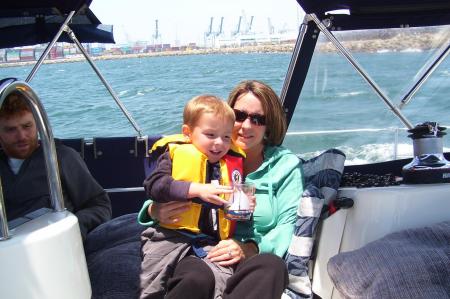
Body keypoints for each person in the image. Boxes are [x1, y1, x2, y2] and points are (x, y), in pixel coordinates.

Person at [139, 80, 304, 299]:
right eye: (240, 115)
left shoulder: (286, 166)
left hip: (250, 255)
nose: (246, 126)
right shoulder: (206, 151)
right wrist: (153, 211)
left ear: (269, 126)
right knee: (195, 277)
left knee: (272, 267)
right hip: (202, 249)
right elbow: (161, 187)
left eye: (258, 119)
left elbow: (287, 225)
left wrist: (250, 248)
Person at [139, 95, 252, 298]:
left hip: (211, 242)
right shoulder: (174, 154)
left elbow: (227, 212)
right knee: (152, 286)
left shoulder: (231, 164)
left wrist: (243, 206)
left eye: (227, 137)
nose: (219, 143)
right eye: (210, 134)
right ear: (188, 133)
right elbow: (155, 186)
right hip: (169, 237)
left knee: (219, 282)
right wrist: (195, 189)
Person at [0, 91, 112, 241]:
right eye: (10, 129)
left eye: (27, 126)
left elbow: (100, 205)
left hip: (58, 247)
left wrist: (74, 227)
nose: (21, 136)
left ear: (38, 125)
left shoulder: (62, 158)